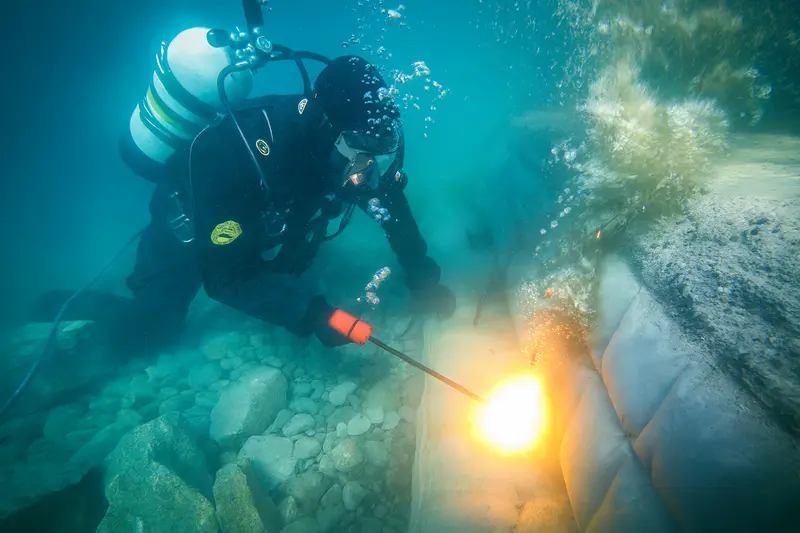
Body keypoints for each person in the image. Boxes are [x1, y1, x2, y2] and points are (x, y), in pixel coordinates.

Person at [32, 55, 456, 356]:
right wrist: (313, 314)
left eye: (382, 147)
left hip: (260, 222)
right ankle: (58, 307)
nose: (371, 170)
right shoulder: (245, 151)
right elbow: (225, 278)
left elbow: (391, 209)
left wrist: (424, 279)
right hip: (194, 228)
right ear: (329, 130)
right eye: (365, 150)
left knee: (288, 266)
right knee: (150, 331)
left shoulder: (346, 150)